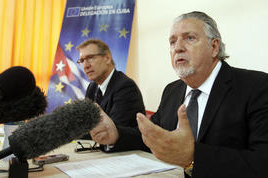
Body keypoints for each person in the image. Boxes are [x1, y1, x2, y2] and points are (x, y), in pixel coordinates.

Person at [89, 11, 268, 178]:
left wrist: (193, 157)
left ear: (214, 47)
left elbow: (262, 162)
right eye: (173, 42)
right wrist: (116, 135)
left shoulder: (257, 87)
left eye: (190, 38)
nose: (178, 48)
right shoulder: (172, 91)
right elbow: (155, 139)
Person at [76, 39, 145, 128]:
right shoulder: (92, 87)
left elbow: (110, 131)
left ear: (107, 58)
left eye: (90, 58)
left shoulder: (125, 87)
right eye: (82, 61)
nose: (85, 66)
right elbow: (85, 122)